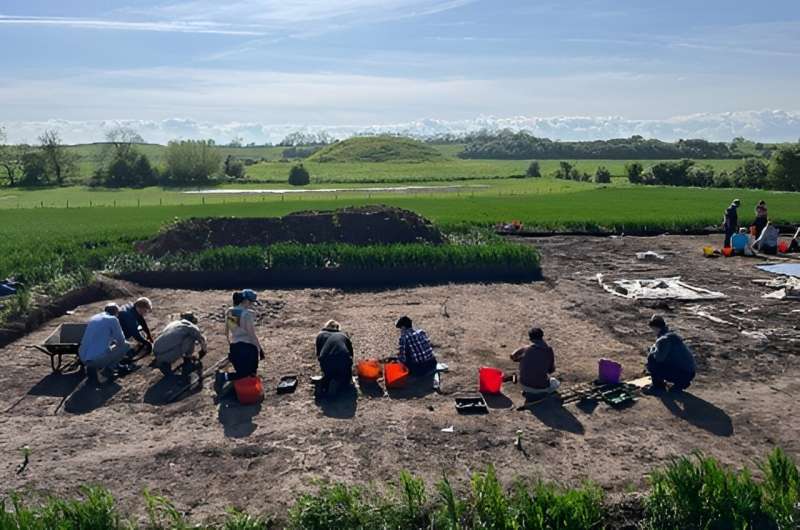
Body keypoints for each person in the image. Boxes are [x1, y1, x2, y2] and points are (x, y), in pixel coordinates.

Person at [216, 289, 264, 392]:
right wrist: (260, 349)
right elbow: (251, 335)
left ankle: (227, 378)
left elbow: (228, 332)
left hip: (235, 346)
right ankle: (225, 377)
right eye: (251, 302)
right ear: (246, 300)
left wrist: (231, 347)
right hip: (247, 348)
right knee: (249, 373)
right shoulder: (246, 315)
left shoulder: (230, 312)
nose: (252, 304)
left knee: (242, 371)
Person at [78, 303, 133, 384]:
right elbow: (121, 340)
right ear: (116, 313)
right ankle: (108, 370)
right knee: (126, 345)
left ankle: (93, 367)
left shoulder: (94, 318)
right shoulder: (113, 319)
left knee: (105, 348)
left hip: (83, 357)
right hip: (96, 359)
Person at [645, 315, 696, 393]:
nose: (652, 331)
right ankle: (681, 383)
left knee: (651, 358)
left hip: (683, 373)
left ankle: (658, 387)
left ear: (656, 328)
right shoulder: (671, 335)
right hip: (689, 372)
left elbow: (659, 358)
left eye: (652, 329)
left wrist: (652, 350)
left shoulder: (663, 340)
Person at [152, 312, 207, 377]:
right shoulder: (191, 327)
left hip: (155, 349)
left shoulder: (174, 323)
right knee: (191, 338)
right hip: (164, 355)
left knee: (182, 338)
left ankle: (164, 360)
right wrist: (203, 351)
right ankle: (186, 358)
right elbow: (202, 340)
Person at [510, 326, 559, 396]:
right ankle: (543, 394)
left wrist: (520, 359)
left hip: (523, 384)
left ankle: (528, 392)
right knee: (555, 382)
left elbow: (512, 355)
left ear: (530, 338)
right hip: (540, 387)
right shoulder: (548, 350)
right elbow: (551, 370)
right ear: (542, 336)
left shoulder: (526, 349)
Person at [314, 320, 354, 396]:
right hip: (342, 359)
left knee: (328, 373)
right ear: (337, 328)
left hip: (326, 361)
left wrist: (323, 367)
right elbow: (351, 353)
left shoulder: (320, 335)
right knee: (345, 378)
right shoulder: (343, 335)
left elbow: (319, 354)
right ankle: (341, 382)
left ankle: (328, 380)